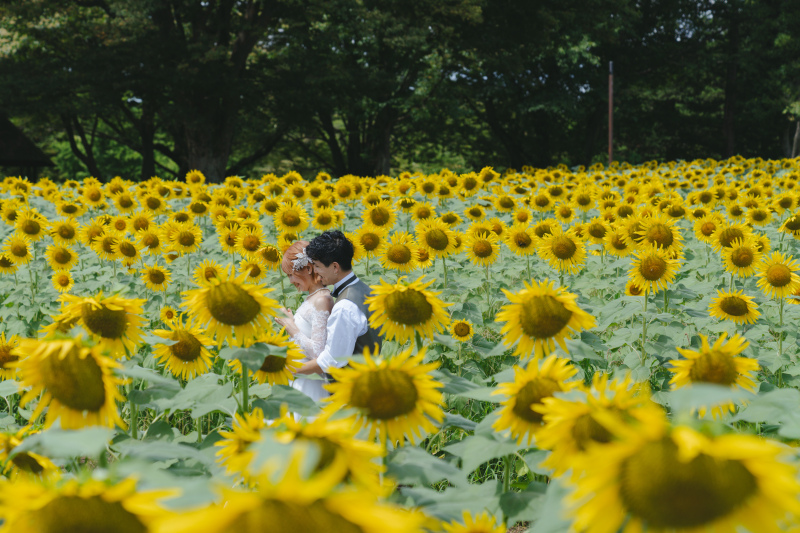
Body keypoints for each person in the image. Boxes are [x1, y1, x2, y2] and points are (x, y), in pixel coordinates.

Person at [296, 230, 382, 377]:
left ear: (335, 267)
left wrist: (289, 369)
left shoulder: (345, 307)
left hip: (349, 388)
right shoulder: (366, 290)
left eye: (317, 266)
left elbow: (332, 360)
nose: (315, 272)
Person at [273, 240, 333, 403]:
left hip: (310, 384)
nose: (291, 281)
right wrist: (292, 322)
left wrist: (291, 327)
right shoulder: (312, 298)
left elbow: (318, 354)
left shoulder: (322, 300)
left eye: (291, 274)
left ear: (308, 268)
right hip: (299, 378)